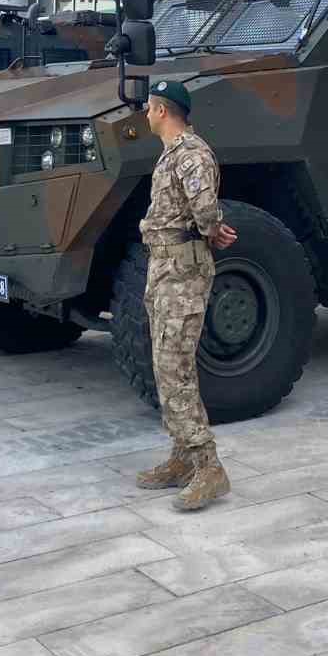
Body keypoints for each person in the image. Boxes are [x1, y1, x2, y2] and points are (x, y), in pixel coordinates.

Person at [135, 78, 237, 512]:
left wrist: (213, 230)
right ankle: (182, 457)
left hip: (182, 268)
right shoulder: (172, 154)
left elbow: (205, 208)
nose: (145, 114)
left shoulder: (191, 153)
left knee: (175, 365)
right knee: (165, 362)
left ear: (162, 111)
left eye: (149, 107)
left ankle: (208, 466)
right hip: (164, 265)